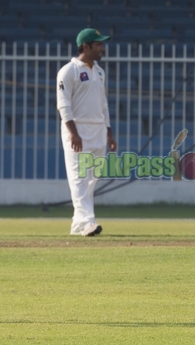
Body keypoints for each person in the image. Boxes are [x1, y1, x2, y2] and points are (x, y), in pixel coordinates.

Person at [56, 28, 117, 237]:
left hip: (98, 131)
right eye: (98, 44)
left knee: (91, 179)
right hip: (77, 131)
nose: (102, 48)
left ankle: (78, 223)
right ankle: (87, 222)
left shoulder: (99, 72)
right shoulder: (68, 71)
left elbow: (104, 105)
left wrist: (108, 133)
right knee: (79, 178)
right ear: (85, 46)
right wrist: (73, 133)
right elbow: (63, 105)